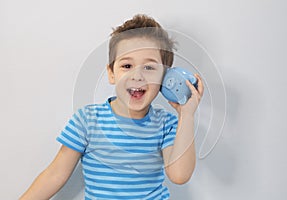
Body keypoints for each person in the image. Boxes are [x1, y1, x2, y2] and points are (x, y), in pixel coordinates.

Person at [20, 14, 204, 200]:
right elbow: (54, 175)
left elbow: (180, 176)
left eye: (149, 68)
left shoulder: (167, 124)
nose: (137, 76)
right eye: (127, 65)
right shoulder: (87, 120)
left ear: (164, 77)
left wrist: (187, 115)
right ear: (111, 73)